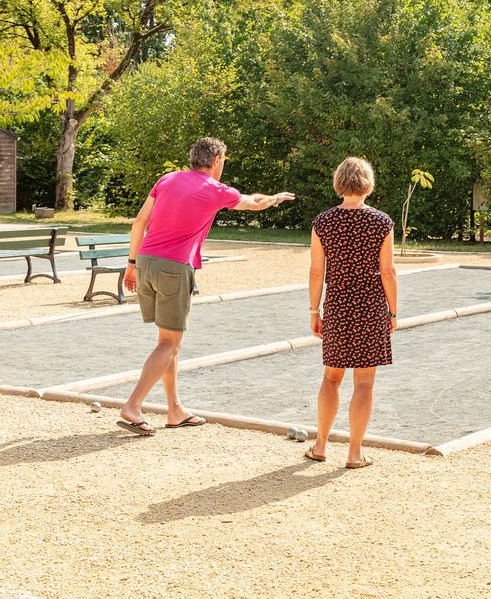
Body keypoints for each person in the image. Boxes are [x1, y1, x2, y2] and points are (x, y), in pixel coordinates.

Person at [117, 137, 295, 435]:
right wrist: (275, 198)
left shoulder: (167, 179)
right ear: (215, 161)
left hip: (145, 262)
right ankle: (133, 406)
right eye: (223, 162)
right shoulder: (215, 190)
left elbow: (139, 222)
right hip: (174, 267)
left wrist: (131, 265)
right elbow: (252, 203)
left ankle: (175, 409)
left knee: (170, 340)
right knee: (168, 344)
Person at [305, 157, 397, 469]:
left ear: (339, 183)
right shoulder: (382, 222)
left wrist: (313, 310)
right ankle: (354, 453)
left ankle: (319, 445)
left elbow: (317, 272)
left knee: (331, 377)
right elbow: (388, 272)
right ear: (367, 184)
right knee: (364, 382)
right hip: (370, 306)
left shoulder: (323, 222)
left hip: (338, 305)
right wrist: (393, 313)